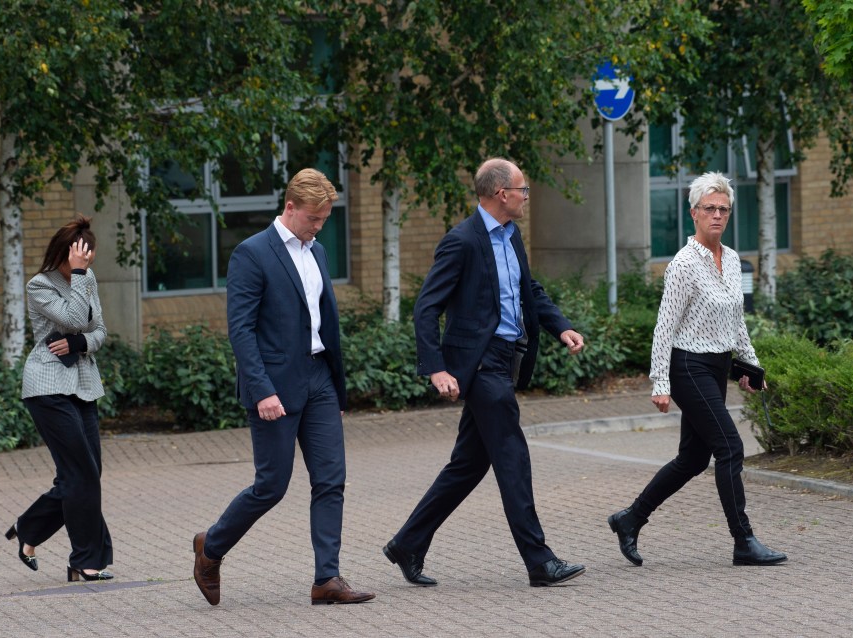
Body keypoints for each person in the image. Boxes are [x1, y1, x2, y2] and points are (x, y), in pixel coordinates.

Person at [383, 158, 587, 588]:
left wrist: (561, 326)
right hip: (480, 365)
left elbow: (528, 291)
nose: (527, 195)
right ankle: (539, 560)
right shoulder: (461, 241)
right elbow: (426, 307)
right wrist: (435, 368)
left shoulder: (511, 237)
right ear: (501, 194)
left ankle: (407, 543)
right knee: (512, 455)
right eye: (523, 189)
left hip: (507, 359)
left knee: (467, 465)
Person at [192, 168, 374, 606]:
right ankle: (210, 548)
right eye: (313, 218)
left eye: (324, 219)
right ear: (290, 207)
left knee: (331, 480)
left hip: (320, 380)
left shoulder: (318, 252)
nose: (318, 227)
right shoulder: (251, 254)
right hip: (274, 385)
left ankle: (326, 579)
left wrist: (336, 384)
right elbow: (241, 330)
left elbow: (323, 322)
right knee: (271, 485)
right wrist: (262, 390)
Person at [607, 171, 787, 567]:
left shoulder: (734, 258)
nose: (718, 215)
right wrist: (660, 381)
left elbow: (737, 321)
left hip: (717, 365)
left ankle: (630, 519)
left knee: (692, 460)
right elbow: (664, 326)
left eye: (724, 209)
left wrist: (750, 365)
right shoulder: (683, 265)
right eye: (710, 208)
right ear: (694, 213)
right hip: (688, 365)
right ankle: (744, 541)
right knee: (730, 447)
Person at [7, 215, 114, 582]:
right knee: (80, 473)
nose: (88, 264)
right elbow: (71, 318)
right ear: (68, 252)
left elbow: (98, 330)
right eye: (83, 257)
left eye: (90, 259)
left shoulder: (87, 278)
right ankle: (84, 560)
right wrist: (81, 279)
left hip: (83, 383)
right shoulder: (40, 285)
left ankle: (29, 530)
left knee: (85, 473)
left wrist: (83, 342)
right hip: (47, 386)